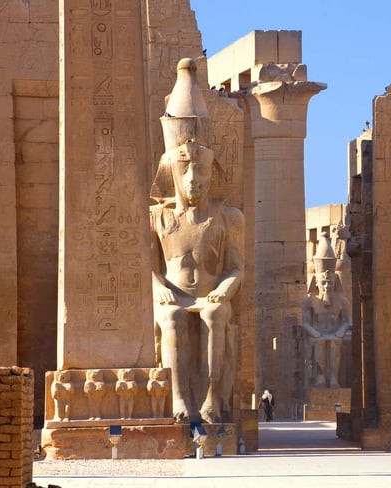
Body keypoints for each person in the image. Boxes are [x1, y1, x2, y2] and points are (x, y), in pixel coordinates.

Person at [150, 58, 245, 424]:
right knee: (172, 318)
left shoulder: (227, 217)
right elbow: (147, 266)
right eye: (185, 170)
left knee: (214, 313)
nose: (194, 179)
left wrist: (224, 289)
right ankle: (178, 398)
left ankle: (209, 399)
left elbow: (236, 268)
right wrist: (157, 286)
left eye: (202, 170)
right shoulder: (159, 216)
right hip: (172, 296)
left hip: (210, 292)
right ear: (170, 171)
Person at [301, 232, 352, 388]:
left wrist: (340, 331)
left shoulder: (342, 301)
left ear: (335, 280)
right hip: (316, 334)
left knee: (335, 343)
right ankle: (320, 377)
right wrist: (315, 333)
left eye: (330, 282)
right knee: (319, 343)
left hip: (335, 334)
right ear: (316, 282)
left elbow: (348, 321)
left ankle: (334, 378)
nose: (327, 285)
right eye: (324, 282)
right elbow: (305, 323)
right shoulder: (309, 301)